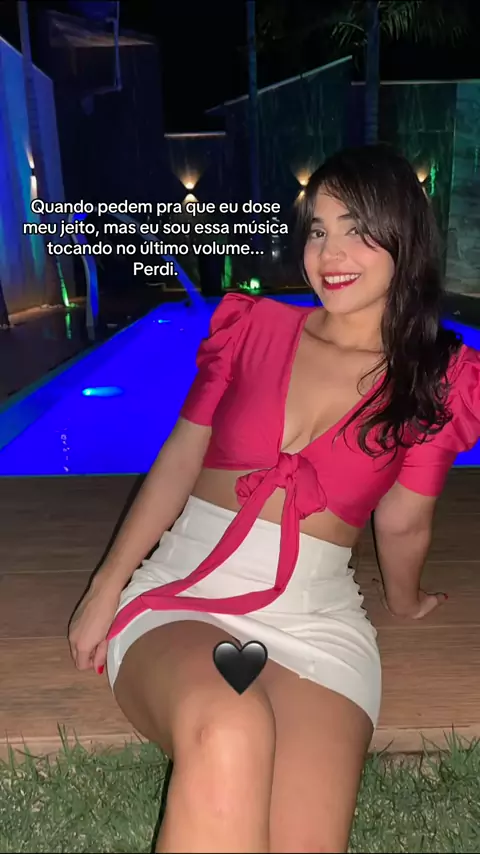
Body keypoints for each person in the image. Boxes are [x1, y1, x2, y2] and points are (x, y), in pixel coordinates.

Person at [68, 144, 480, 854]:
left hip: (317, 622)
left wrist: (406, 601)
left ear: (405, 238)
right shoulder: (252, 328)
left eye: (357, 229)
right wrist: (106, 586)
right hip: (184, 593)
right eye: (318, 230)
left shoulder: (435, 378)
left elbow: (404, 521)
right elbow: (181, 457)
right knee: (230, 727)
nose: (330, 253)